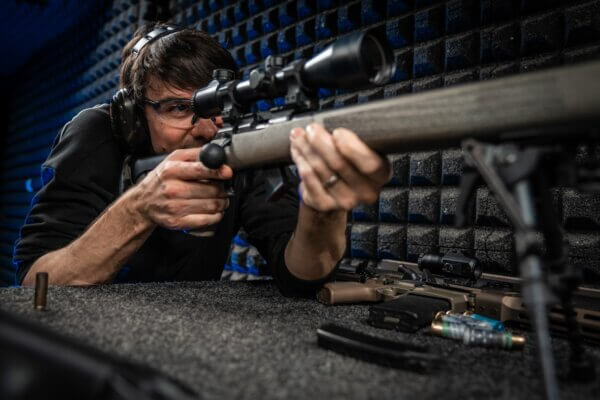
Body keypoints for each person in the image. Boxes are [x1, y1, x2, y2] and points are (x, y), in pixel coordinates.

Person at [13, 24, 391, 296]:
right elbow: (35, 283)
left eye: (216, 107)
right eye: (179, 108)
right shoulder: (97, 134)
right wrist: (139, 209)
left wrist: (321, 210)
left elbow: (301, 276)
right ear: (133, 115)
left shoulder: (237, 145)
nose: (206, 128)